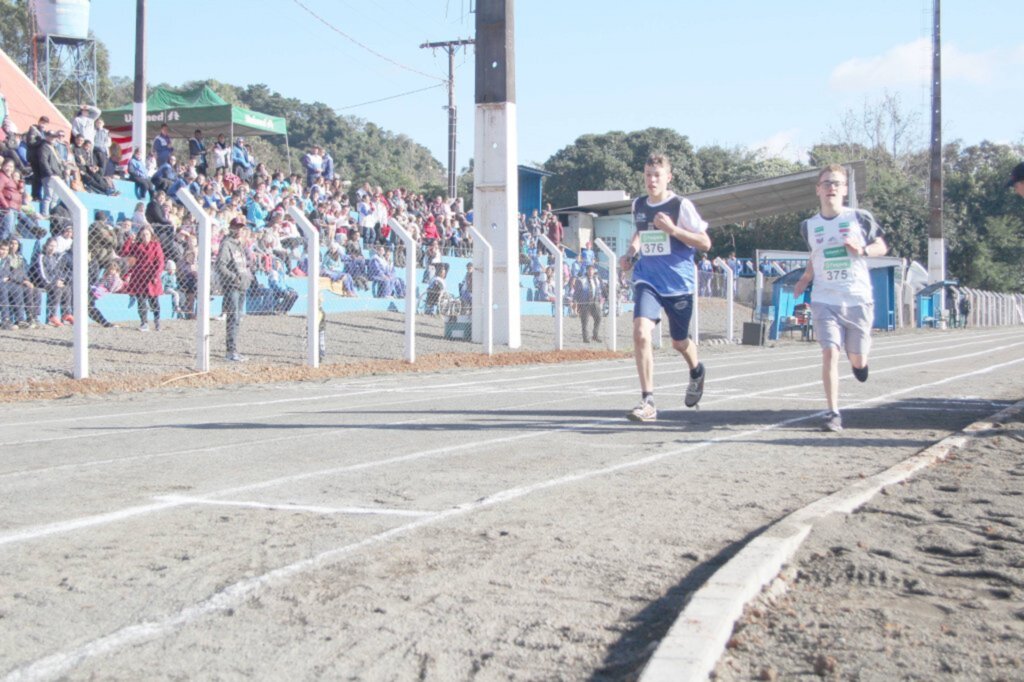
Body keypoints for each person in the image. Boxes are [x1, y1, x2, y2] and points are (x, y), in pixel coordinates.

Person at [794, 163, 888, 433]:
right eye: (826, 183)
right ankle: (833, 412)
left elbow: (882, 245)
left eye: (836, 183)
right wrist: (805, 277)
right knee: (829, 352)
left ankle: (861, 363)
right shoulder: (808, 226)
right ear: (818, 190)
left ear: (844, 189)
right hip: (824, 299)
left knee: (856, 358)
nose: (831, 188)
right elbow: (816, 255)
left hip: (857, 298)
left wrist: (863, 249)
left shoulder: (859, 218)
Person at [619, 153, 710, 422]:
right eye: (647, 174)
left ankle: (696, 371)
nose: (651, 180)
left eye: (657, 175)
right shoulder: (638, 205)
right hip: (648, 279)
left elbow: (705, 243)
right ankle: (648, 400)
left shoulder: (681, 206)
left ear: (668, 177)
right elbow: (641, 232)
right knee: (640, 333)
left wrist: (673, 230)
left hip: (678, 284)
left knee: (679, 342)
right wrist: (631, 253)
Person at [216, 217, 253, 361]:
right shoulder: (227, 245)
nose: (238, 230)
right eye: (236, 227)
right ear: (231, 228)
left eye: (241, 228)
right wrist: (234, 277)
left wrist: (247, 276)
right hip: (233, 286)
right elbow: (220, 265)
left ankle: (233, 349)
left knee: (237, 318)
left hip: (242, 285)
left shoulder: (240, 245)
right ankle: (231, 350)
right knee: (233, 318)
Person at [121, 224, 165, 331]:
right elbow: (126, 254)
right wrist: (129, 241)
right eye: (143, 234)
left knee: (154, 300)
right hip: (139, 276)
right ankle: (144, 322)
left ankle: (157, 320)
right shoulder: (136, 246)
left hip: (151, 276)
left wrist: (155, 275)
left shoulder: (155, 245)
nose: (145, 236)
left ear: (151, 235)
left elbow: (160, 262)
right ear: (140, 235)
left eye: (147, 234)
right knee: (140, 300)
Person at [573, 262, 604, 343]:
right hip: (584, 303)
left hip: (595, 302)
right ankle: (586, 338)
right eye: (589, 270)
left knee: (599, 317)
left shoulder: (597, 279)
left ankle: (595, 335)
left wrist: (601, 298)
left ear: (594, 271)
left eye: (592, 270)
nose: (591, 271)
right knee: (585, 321)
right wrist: (575, 302)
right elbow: (576, 292)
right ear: (586, 271)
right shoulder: (581, 280)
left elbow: (599, 290)